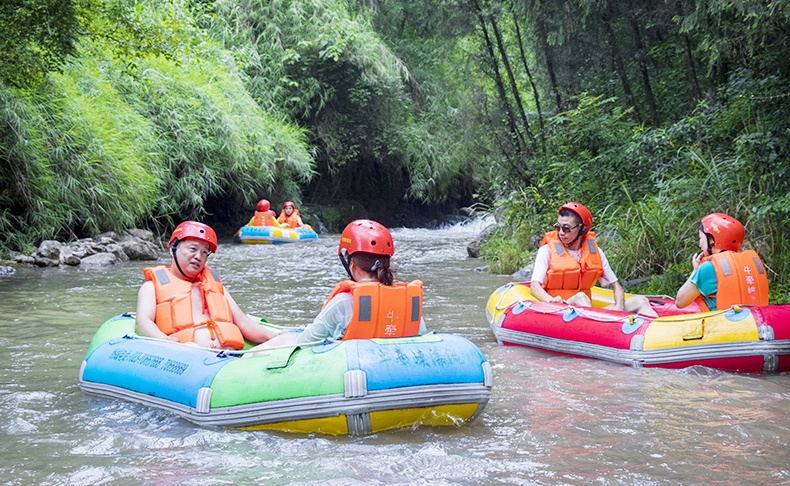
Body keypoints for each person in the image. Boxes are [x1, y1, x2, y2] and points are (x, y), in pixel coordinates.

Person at [252, 219, 426, 350]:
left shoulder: (343, 302)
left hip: (353, 374)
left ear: (353, 265)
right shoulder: (409, 303)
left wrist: (285, 337)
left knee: (286, 340)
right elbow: (422, 336)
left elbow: (306, 342)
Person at [135, 221, 279, 349]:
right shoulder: (152, 287)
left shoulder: (214, 284)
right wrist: (166, 341)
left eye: (204, 252)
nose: (198, 256)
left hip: (229, 355)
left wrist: (274, 337)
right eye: (193, 249)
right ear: (173, 249)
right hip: (188, 355)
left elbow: (243, 322)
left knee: (287, 339)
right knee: (190, 348)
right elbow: (143, 322)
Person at [529, 202, 658, 317]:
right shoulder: (547, 250)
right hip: (559, 310)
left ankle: (659, 334)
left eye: (566, 228)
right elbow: (534, 287)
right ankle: (596, 327)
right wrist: (551, 300)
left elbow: (616, 286)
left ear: (581, 228)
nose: (561, 232)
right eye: (558, 227)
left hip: (587, 311)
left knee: (640, 300)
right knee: (581, 297)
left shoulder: (596, 252)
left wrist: (619, 308)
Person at [675, 213, 769, 311]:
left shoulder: (709, 267)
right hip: (754, 322)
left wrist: (695, 270)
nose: (699, 245)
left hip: (723, 324)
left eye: (700, 238)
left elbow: (680, 302)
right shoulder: (752, 264)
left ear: (711, 239)